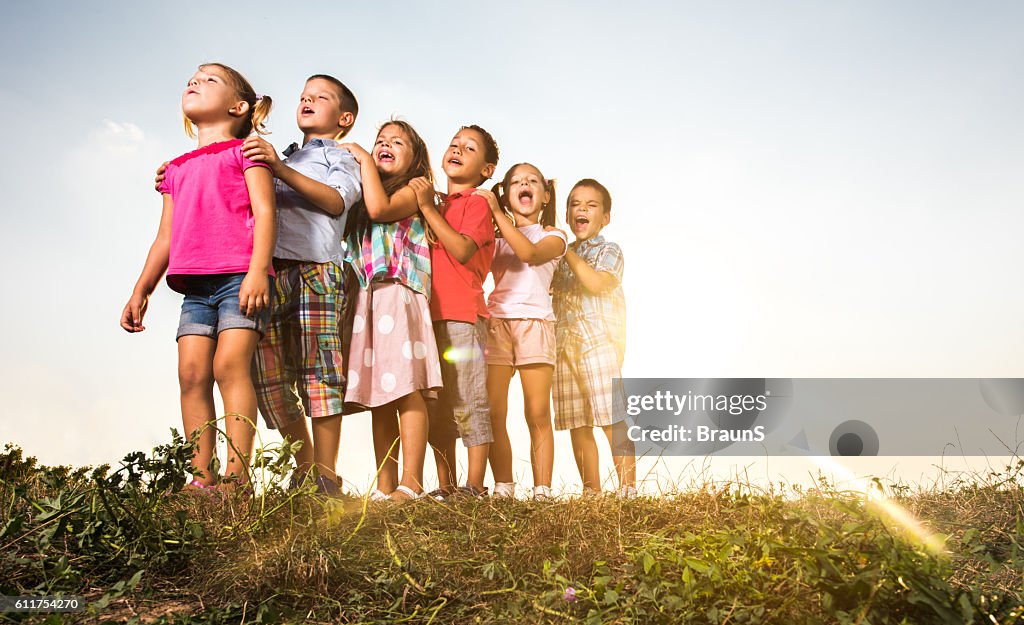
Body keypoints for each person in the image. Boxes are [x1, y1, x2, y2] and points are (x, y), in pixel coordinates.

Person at [121, 63, 275, 491]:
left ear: (239, 106)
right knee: (191, 375)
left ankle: (236, 479)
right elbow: (164, 237)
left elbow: (265, 213)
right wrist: (141, 290)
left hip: (240, 279)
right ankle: (200, 479)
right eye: (192, 77)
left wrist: (258, 271)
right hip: (195, 290)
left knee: (229, 367)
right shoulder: (175, 170)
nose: (194, 81)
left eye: (210, 80)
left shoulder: (248, 153)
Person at [242, 74, 362, 496]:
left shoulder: (340, 155)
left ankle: (326, 476)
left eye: (321, 97)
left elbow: (334, 200)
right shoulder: (284, 156)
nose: (308, 100)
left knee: (319, 371)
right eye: (304, 96)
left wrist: (278, 169)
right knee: (268, 376)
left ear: (344, 117)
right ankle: (305, 465)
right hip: (270, 273)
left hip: (317, 269)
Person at [338, 120, 441, 501]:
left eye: (397, 141)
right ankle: (386, 486)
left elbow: (381, 209)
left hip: (399, 294)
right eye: (380, 140)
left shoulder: (412, 193)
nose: (385, 144)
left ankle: (411, 482)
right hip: (368, 298)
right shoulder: (363, 200)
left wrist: (363, 156)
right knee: (377, 394)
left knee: (406, 389)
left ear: (415, 161)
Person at [415, 125, 499, 498]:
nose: (457, 150)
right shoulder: (437, 203)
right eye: (453, 144)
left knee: (468, 400)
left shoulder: (476, 202)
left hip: (463, 316)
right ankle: (446, 486)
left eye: (469, 148)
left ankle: (475, 484)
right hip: (426, 316)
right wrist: (430, 208)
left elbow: (463, 250)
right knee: (438, 406)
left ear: (487, 169)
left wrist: (429, 211)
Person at [475, 163, 567, 500]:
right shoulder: (495, 240)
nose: (524, 185)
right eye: (516, 181)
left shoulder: (554, 236)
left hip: (535, 323)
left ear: (544, 196)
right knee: (494, 411)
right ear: (506, 191)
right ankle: (503, 486)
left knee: (537, 411)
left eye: (532, 181)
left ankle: (542, 489)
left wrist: (497, 213)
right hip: (497, 323)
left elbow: (528, 255)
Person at [551, 179, 636, 497]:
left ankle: (627, 488)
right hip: (564, 347)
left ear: (606, 217)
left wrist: (566, 253)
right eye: (574, 204)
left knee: (612, 417)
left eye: (591, 205)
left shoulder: (609, 250)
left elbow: (596, 283)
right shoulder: (561, 255)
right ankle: (592, 491)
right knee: (578, 422)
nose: (581, 209)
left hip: (598, 343)